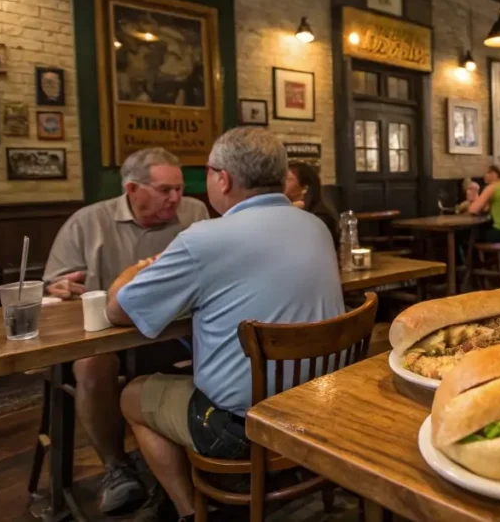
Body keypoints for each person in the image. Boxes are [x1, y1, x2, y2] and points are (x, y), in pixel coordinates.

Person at [109, 127, 344, 522]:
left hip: (241, 428)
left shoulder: (204, 238)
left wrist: (135, 269)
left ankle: (190, 512)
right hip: (320, 405)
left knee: (131, 395)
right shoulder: (315, 226)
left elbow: (119, 311)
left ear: (223, 178)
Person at [42, 148, 209, 515]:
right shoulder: (87, 222)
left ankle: (203, 452)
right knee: (90, 364)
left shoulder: (195, 213)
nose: (176, 199)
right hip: (107, 339)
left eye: (180, 189)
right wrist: (59, 290)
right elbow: (55, 287)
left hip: (171, 332)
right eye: (165, 190)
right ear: (132, 189)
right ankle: (117, 467)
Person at [284, 161, 339, 245]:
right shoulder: (284, 210)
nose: (282, 183)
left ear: (305, 188)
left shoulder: (320, 216)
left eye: (287, 179)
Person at [468, 165, 500, 241]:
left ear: (495, 174)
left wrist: (474, 198)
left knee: (467, 236)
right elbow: (486, 209)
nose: (485, 175)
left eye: (488, 172)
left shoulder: (492, 187)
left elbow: (473, 210)